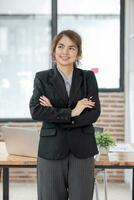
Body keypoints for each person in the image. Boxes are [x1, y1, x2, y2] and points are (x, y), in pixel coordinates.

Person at [29, 29, 101, 200]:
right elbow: (36, 111)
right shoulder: (42, 78)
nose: (65, 52)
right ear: (54, 50)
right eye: (61, 46)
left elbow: (93, 113)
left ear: (78, 53)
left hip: (82, 149)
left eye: (72, 48)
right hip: (51, 149)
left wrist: (54, 112)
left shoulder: (88, 77)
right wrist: (73, 112)